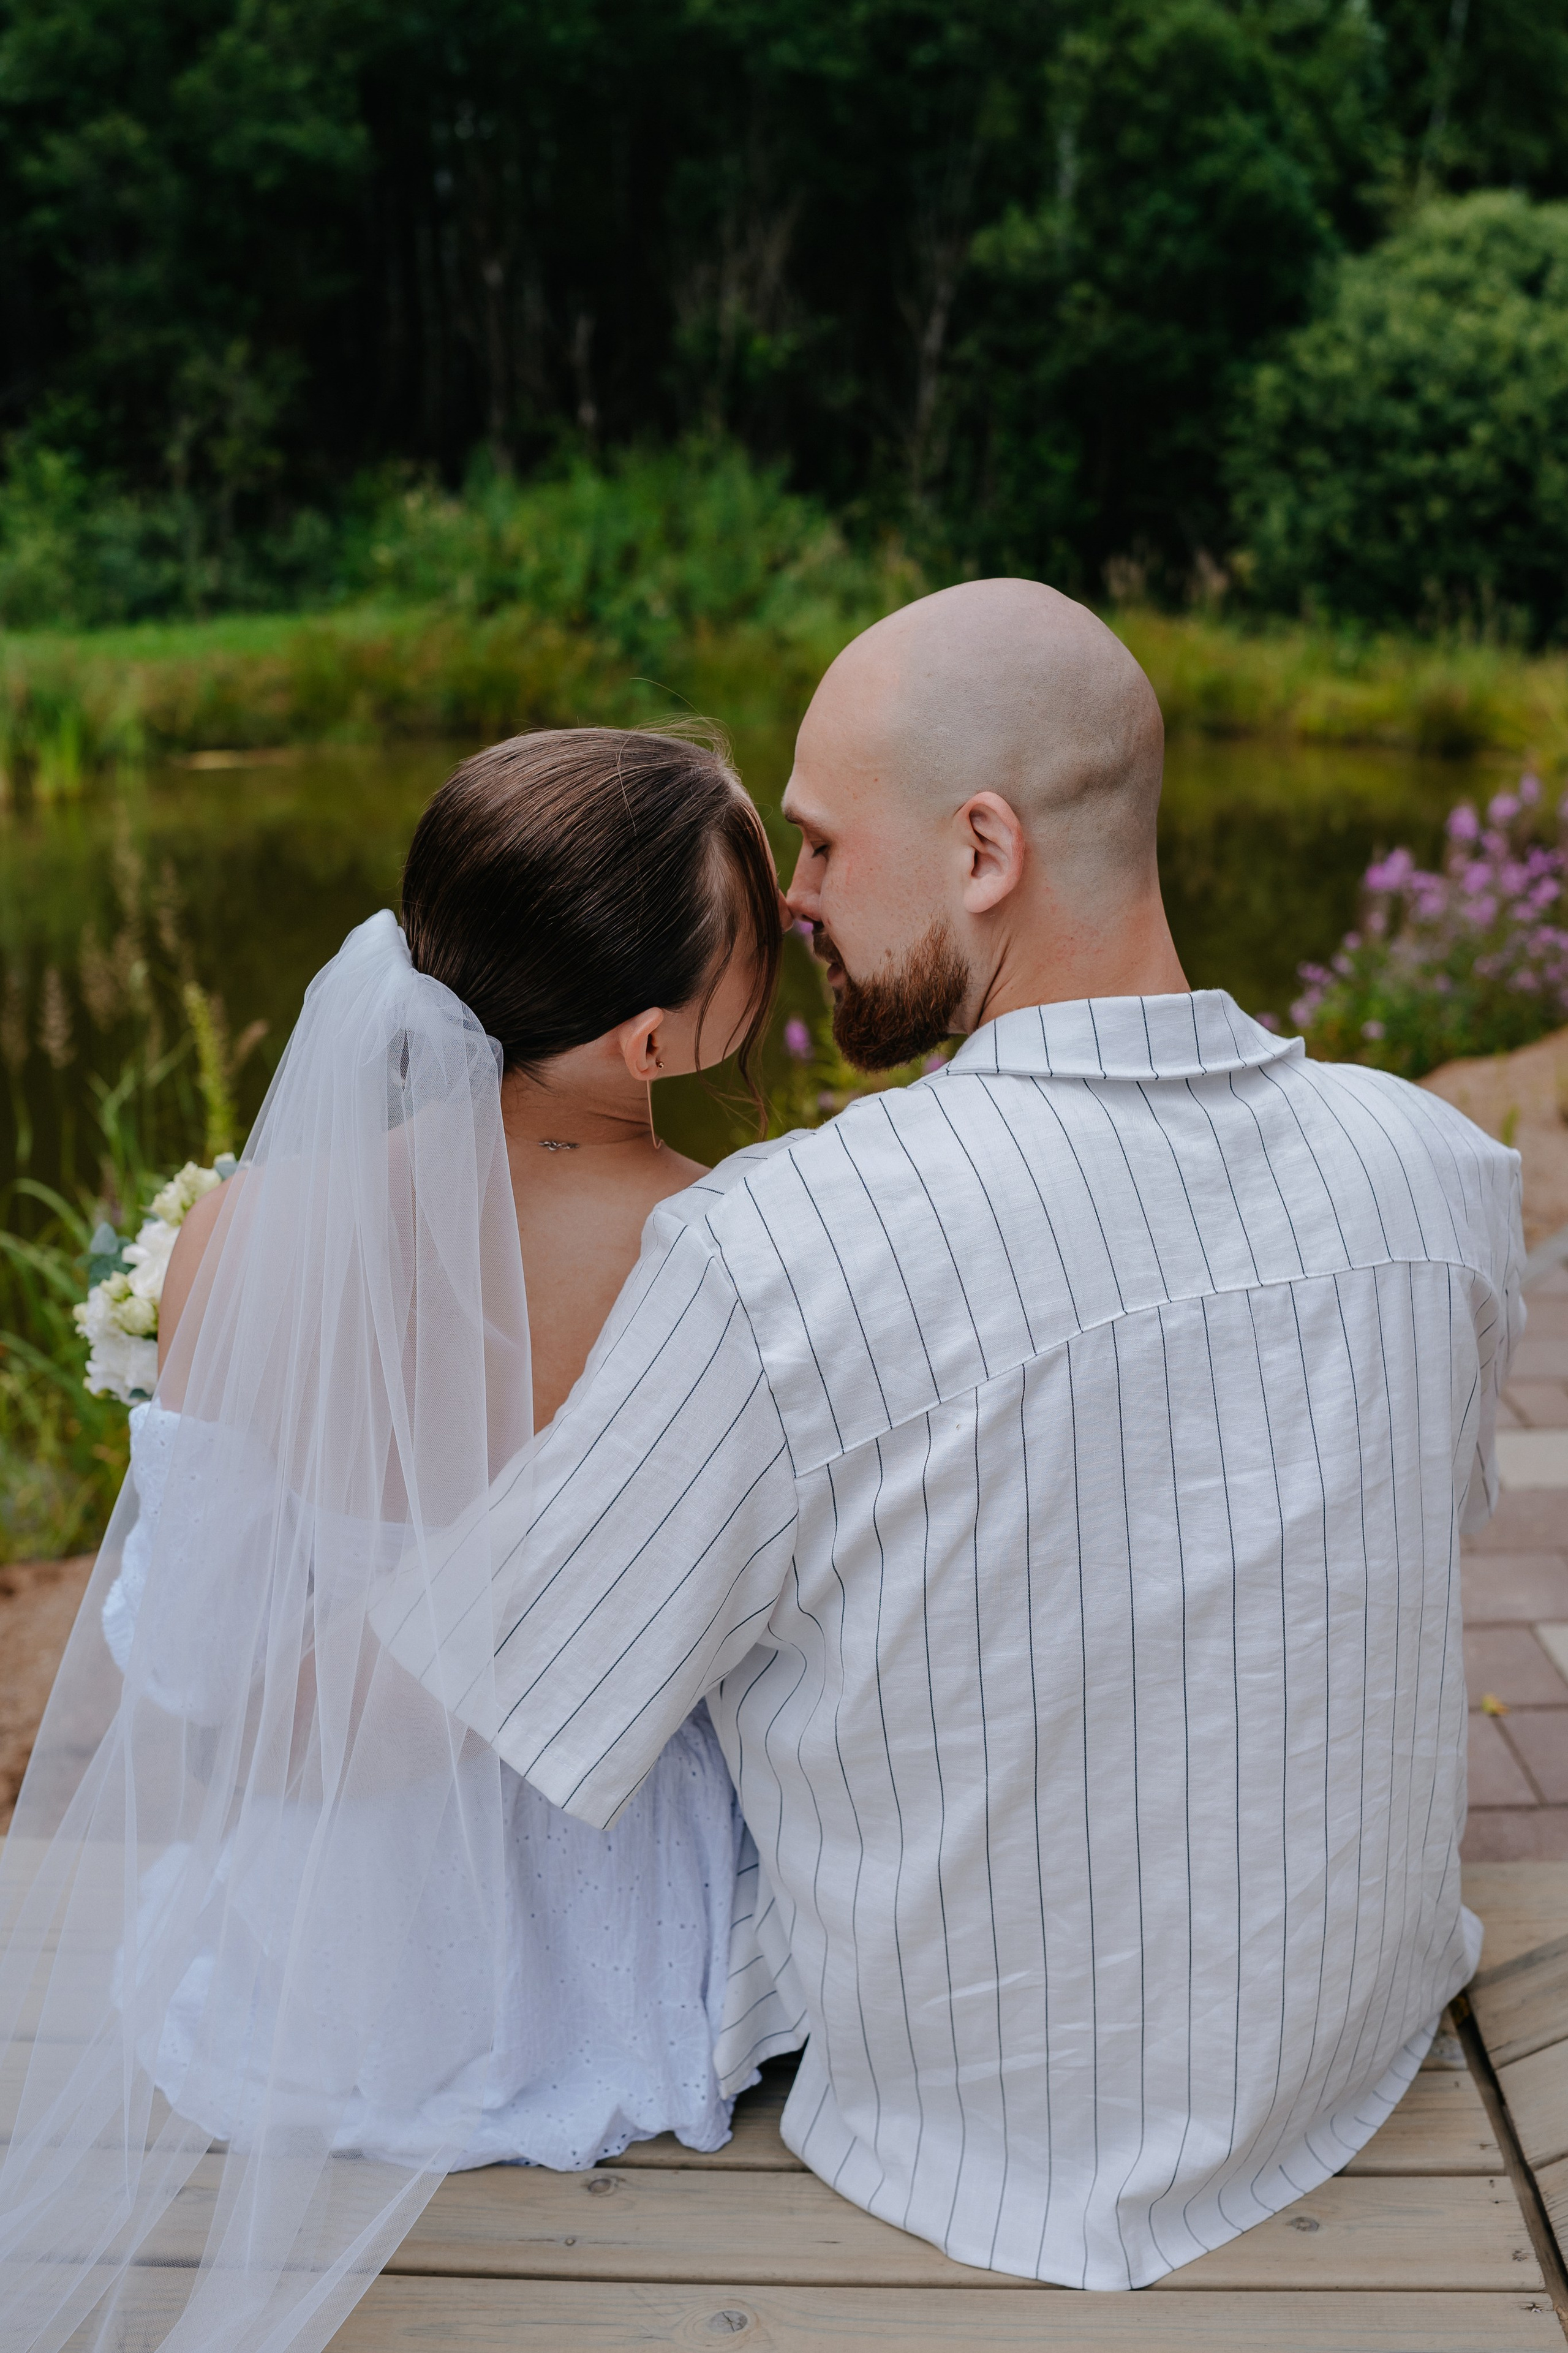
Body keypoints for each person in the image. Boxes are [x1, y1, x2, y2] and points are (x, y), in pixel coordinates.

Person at [385, 578, 1525, 2292]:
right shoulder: (1440, 1174)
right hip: (1348, 2064)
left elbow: (502, 1679)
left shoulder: (775, 1246)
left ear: (985, 850)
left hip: (968, 2151)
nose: (796, 898)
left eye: (826, 845)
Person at [0, 725, 800, 2352]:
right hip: (587, 1917)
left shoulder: (236, 1225)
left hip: (323, 1933)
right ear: (651, 1035)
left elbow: (189, 1644)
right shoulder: (718, 1242)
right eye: (762, 928)